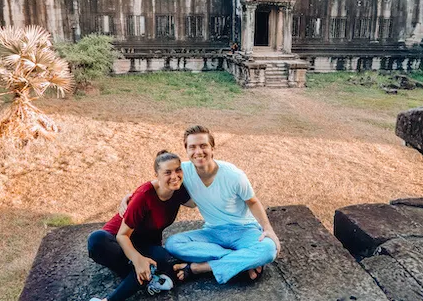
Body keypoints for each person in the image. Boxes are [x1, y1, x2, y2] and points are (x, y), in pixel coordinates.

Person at [166, 125, 280, 284]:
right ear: (186, 150)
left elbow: (253, 202)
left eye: (203, 145)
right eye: (192, 147)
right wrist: (130, 197)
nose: (198, 151)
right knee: (173, 244)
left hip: (244, 230)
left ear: (212, 148)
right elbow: (158, 183)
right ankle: (242, 260)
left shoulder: (234, 175)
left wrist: (268, 229)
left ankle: (198, 268)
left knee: (268, 249)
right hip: (213, 232)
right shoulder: (183, 171)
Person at [87, 150, 192, 301]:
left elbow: (198, 201)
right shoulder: (144, 196)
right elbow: (122, 236)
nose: (174, 176)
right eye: (167, 172)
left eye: (178, 170)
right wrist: (137, 259)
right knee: (96, 238)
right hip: (117, 242)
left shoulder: (179, 190)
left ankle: (140, 276)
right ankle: (143, 275)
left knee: (162, 257)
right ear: (157, 175)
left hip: (143, 244)